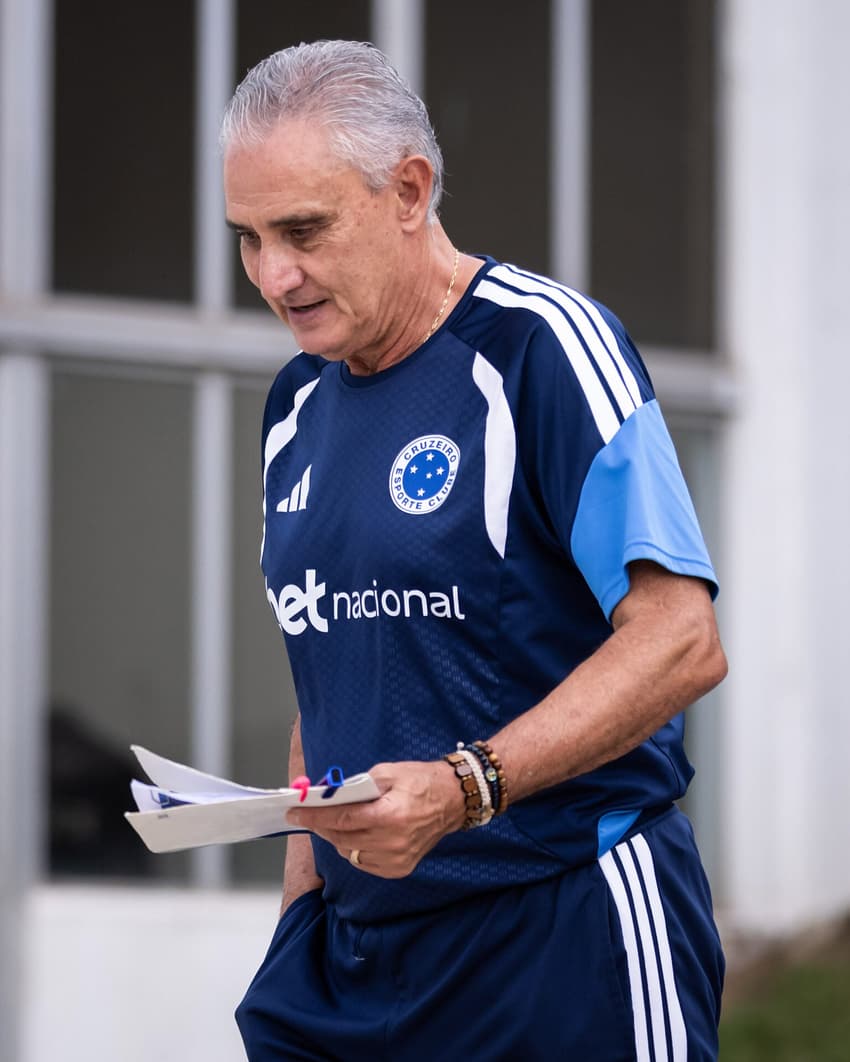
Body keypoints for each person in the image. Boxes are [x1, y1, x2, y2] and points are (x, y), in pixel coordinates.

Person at [222, 39, 727, 1062]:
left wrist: (467, 787)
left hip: (561, 930)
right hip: (355, 963)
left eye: (304, 230)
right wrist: (299, 917)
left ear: (408, 190)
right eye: (248, 238)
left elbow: (680, 640)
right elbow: (329, 675)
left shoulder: (540, 348)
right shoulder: (294, 405)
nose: (274, 276)